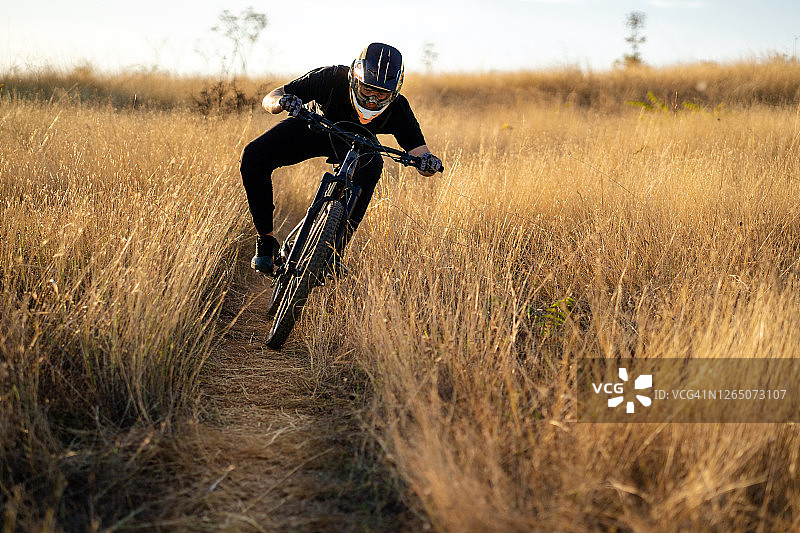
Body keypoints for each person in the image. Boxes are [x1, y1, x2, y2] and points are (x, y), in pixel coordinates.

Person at [241, 42, 443, 275]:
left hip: (358, 144)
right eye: (367, 90)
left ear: (394, 92)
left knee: (373, 163)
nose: (372, 101)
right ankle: (266, 240)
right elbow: (273, 96)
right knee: (253, 156)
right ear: (354, 79)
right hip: (313, 127)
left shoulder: (399, 108)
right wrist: (282, 102)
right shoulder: (331, 77)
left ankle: (333, 253)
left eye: (382, 94)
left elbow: (420, 153)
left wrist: (428, 163)